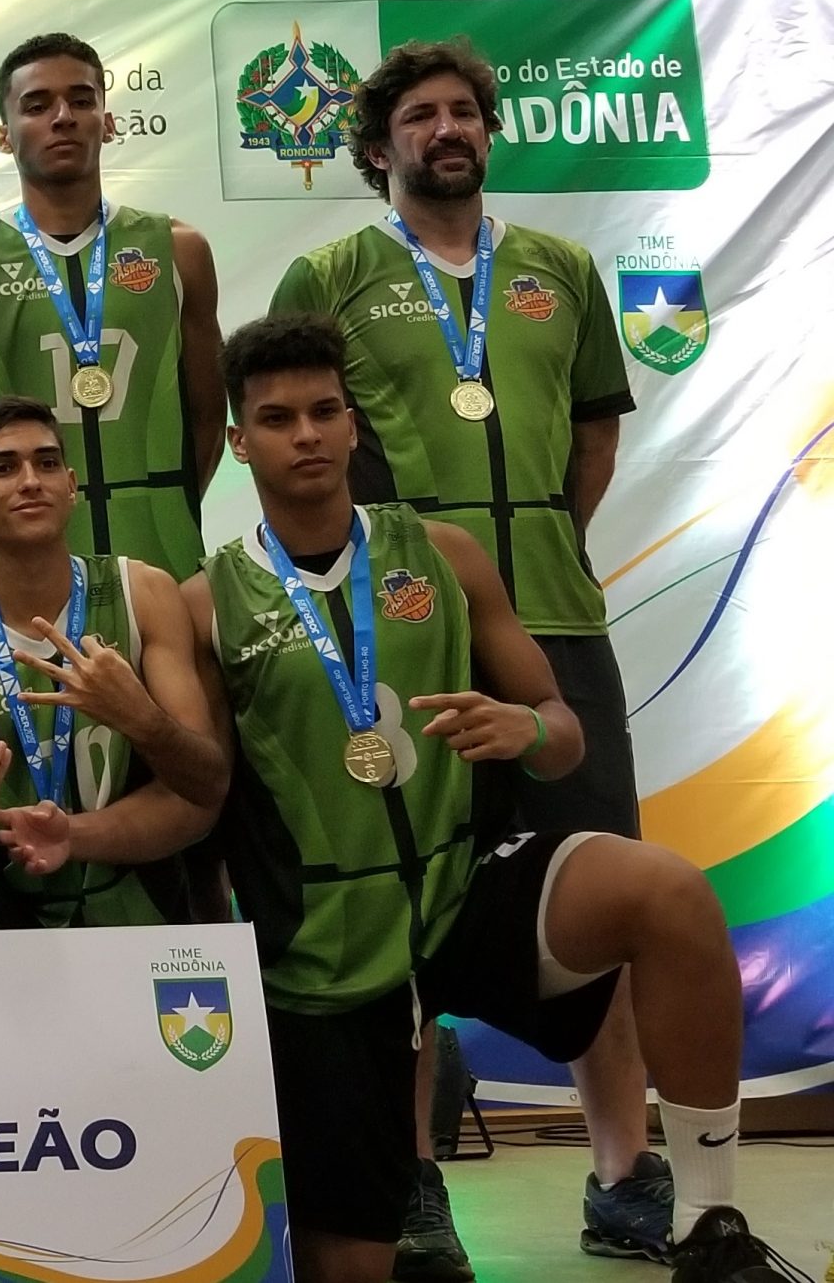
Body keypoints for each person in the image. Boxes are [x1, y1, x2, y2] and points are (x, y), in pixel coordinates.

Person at [180, 313, 797, 1283]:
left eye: (324, 411)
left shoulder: (444, 555)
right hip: (332, 941)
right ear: (238, 441)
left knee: (668, 891)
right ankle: (410, 1197)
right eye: (277, 417)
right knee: (354, 1265)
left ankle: (709, 1223)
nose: (306, 434)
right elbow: (204, 798)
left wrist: (526, 728)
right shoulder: (203, 603)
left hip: (465, 887)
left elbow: (561, 730)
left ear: (352, 424)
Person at [266, 38, 652, 1276]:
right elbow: (311, 439)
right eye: (421, 116)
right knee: (407, 899)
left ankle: (626, 1174)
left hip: (557, 620)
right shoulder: (332, 273)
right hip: (404, 625)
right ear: (378, 146)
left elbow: (594, 435)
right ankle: (413, 1183)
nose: (449, 130)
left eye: (466, 112)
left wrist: (542, 546)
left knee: (601, 886)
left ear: (489, 131)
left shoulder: (562, 269)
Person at [0, 32, 224, 582]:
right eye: (37, 106)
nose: (63, 117)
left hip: (164, 556)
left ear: (108, 121)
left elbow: (207, 420)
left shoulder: (179, 250)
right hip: (25, 577)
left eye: (81, 100)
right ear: (4, 136)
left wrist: (161, 506)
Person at [0, 397, 227, 931]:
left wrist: (140, 719)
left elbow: (205, 788)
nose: (31, 481)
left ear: (72, 485)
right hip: (6, 896)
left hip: (130, 880)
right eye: (4, 467)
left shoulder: (143, 592)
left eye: (47, 462)